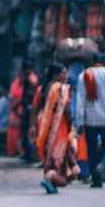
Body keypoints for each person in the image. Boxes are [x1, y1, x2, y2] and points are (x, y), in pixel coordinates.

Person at [75, 52, 105, 188]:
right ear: (104, 61)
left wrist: (80, 121)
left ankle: (96, 180)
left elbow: (80, 100)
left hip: (90, 119)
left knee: (92, 149)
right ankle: (103, 164)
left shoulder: (83, 75)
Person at [33, 63, 80, 194]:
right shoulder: (60, 89)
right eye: (64, 73)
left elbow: (35, 109)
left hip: (44, 126)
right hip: (59, 127)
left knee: (50, 154)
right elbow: (66, 110)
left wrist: (33, 127)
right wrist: (71, 124)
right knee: (59, 157)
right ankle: (51, 178)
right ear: (56, 75)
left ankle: (52, 182)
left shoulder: (42, 89)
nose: (67, 75)